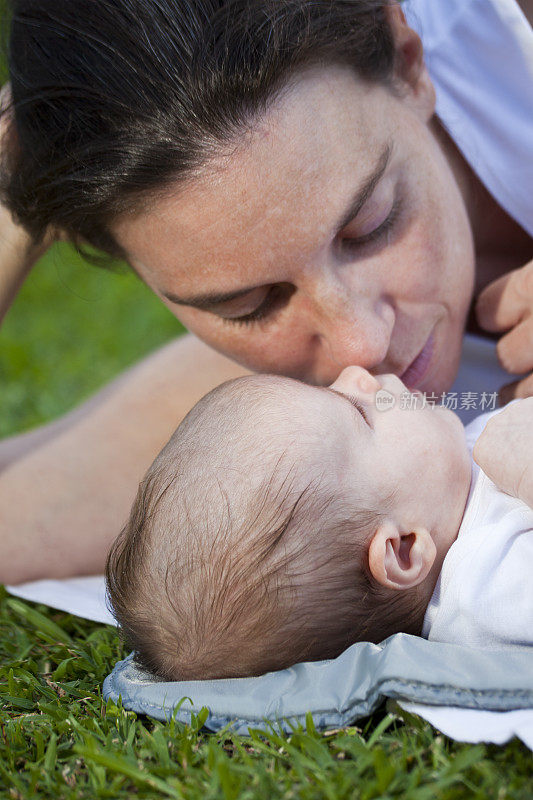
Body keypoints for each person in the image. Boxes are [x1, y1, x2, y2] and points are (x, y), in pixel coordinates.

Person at [0, 0, 532, 585]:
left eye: (371, 223)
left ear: (408, 66)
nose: (362, 349)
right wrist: (11, 186)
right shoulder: (305, 440)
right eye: (250, 305)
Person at [105, 366, 533, 680]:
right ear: (402, 549)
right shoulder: (490, 581)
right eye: (359, 413)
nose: (355, 373)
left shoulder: (449, 477)